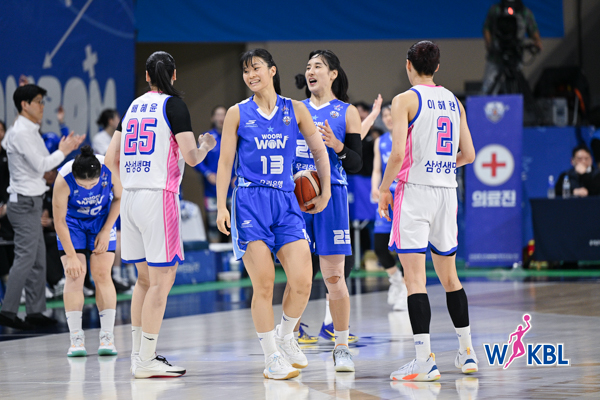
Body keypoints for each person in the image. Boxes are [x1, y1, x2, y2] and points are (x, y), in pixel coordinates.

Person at [216, 48, 331, 380]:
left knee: (303, 281)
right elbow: (225, 162)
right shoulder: (237, 113)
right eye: (245, 71)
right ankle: (271, 358)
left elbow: (319, 151)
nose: (250, 75)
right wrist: (222, 205)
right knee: (264, 284)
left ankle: (285, 335)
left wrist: (324, 190)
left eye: (256, 68)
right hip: (249, 202)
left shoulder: (295, 109)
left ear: (272, 70)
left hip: (285, 200)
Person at [104, 51, 216, 378]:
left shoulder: (132, 107)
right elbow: (192, 157)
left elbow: (110, 159)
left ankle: (139, 356)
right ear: (174, 74)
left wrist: (128, 186)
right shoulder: (174, 106)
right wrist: (206, 145)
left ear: (148, 76)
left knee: (144, 280)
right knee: (162, 280)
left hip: (130, 198)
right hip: (159, 196)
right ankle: (147, 359)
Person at [378, 41, 477, 382]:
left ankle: (424, 361)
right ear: (436, 67)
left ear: (408, 65)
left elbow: (396, 155)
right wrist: (443, 167)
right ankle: (467, 352)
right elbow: (469, 154)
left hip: (415, 191)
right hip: (446, 192)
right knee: (450, 278)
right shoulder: (454, 101)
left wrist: (383, 190)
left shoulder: (404, 100)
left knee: (415, 280)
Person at [290, 50, 362, 372]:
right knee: (297, 277)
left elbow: (357, 164)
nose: (311, 71)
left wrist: (338, 146)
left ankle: (341, 347)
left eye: (317, 66)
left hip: (332, 197)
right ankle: (289, 340)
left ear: (333, 74)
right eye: (308, 67)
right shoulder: (294, 110)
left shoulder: (347, 112)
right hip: (298, 198)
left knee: (334, 276)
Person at [0, 84, 84, 330]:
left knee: (37, 260)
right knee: (26, 258)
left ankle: (35, 311)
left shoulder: (29, 130)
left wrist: (64, 149)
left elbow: (41, 167)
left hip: (32, 202)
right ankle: (7, 311)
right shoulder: (20, 133)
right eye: (38, 101)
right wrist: (64, 150)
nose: (42, 106)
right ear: (24, 105)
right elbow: (42, 166)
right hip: (24, 203)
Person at [53, 145, 122, 356]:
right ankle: (76, 338)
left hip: (101, 220)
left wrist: (107, 230)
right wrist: (71, 256)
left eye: (93, 184)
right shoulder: (63, 179)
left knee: (102, 274)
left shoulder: (109, 168)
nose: (89, 188)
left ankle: (107, 337)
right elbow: (59, 221)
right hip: (72, 223)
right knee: (75, 275)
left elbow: (119, 198)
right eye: (83, 185)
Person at [371, 103, 408, 312]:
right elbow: (377, 169)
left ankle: (406, 289)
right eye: (384, 115)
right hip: (386, 195)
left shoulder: (409, 136)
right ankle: (396, 281)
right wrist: (374, 187)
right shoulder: (380, 141)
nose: (388, 118)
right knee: (380, 245)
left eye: (390, 114)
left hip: (404, 195)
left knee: (405, 247)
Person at [481, 0, 542, 95]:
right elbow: (487, 28)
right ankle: (485, 102)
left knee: (516, 86)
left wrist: (537, 42)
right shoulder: (496, 10)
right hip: (496, 56)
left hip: (515, 57)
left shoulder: (525, 12)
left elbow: (533, 30)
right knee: (488, 85)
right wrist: (489, 44)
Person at [193, 105, 234, 243]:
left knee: (234, 225)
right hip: (212, 191)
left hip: (232, 190)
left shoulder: (234, 137)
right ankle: (214, 256)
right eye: (218, 114)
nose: (221, 118)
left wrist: (238, 176)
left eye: (224, 114)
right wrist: (207, 173)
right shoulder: (207, 138)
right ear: (212, 118)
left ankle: (233, 256)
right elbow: (196, 160)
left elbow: (243, 158)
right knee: (213, 226)